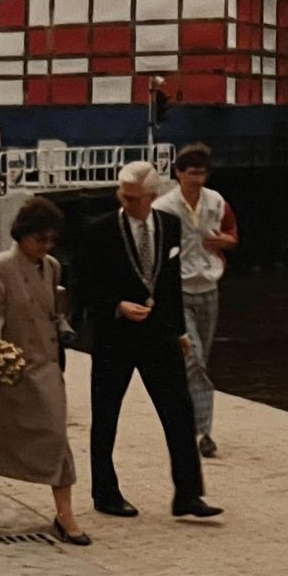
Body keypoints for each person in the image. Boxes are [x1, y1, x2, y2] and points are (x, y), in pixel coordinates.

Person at [79, 161, 223, 519]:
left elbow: (171, 285)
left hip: (159, 336)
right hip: (116, 338)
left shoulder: (169, 226)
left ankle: (188, 495)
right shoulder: (99, 230)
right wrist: (116, 306)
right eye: (123, 197)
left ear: (152, 197)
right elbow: (81, 286)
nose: (127, 203)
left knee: (179, 412)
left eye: (134, 198)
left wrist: (180, 333)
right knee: (106, 415)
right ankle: (105, 492)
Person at [0, 198, 89, 543]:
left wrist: (65, 326)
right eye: (40, 239)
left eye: (51, 240)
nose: (46, 246)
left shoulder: (52, 266)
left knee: (56, 440)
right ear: (23, 235)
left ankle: (64, 515)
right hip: (5, 369)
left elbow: (54, 311)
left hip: (43, 367)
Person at [153, 144, 238, 459]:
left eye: (202, 173)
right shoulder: (164, 207)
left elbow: (231, 230)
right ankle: (203, 432)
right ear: (178, 173)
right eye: (192, 173)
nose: (197, 179)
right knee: (195, 359)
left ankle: (184, 417)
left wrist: (227, 242)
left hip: (209, 287)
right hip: (179, 291)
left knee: (200, 361)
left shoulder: (215, 201)